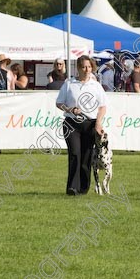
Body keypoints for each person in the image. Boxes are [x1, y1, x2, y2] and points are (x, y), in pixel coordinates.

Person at [56, 55, 107, 196]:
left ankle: (83, 187)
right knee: (74, 153)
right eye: (84, 67)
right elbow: (59, 103)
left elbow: (103, 107)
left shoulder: (96, 86)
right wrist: (69, 109)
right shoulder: (69, 83)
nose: (87, 69)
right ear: (78, 68)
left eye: (89, 67)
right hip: (71, 123)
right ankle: (72, 187)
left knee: (86, 155)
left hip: (89, 123)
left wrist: (98, 123)